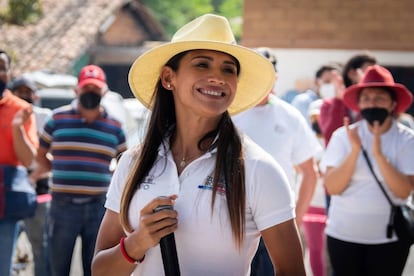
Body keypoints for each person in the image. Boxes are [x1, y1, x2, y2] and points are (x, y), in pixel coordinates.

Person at [92, 14, 306, 276]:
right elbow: (99, 270)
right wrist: (137, 242)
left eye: (228, 69)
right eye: (202, 65)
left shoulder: (258, 168)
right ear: (169, 78)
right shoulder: (133, 163)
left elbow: (292, 270)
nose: (218, 77)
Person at [232, 47, 322, 275]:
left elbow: (310, 172)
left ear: (276, 77)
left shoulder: (290, 116)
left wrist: (295, 219)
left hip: (276, 223)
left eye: (267, 74)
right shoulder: (228, 113)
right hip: (233, 223)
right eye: (255, 75)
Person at [319, 65, 414, 276]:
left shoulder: (407, 140)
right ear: (359, 104)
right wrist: (354, 151)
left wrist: (379, 155)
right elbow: (333, 187)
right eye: (366, 98)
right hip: (343, 236)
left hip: (389, 240)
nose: (372, 103)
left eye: (379, 98)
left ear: (392, 104)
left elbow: (404, 191)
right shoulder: (343, 136)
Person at [34, 64, 127, 276]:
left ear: (104, 92)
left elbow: (125, 165)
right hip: (62, 205)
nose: (91, 93)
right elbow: (40, 155)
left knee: (95, 267)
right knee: (58, 268)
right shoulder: (57, 119)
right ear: (77, 90)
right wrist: (58, 171)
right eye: (87, 88)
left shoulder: (115, 126)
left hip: (98, 207)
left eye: (96, 89)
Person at [0, 50, 39, 276]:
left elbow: (29, 160)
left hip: (6, 200)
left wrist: (17, 128)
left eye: (3, 67)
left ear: (9, 73)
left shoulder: (21, 110)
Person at [10, 76, 52, 276]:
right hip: (10, 192)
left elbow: (49, 160)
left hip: (39, 194)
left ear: (35, 95)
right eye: (20, 91)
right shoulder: (8, 115)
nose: (25, 96)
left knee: (40, 247)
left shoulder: (44, 117)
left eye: (28, 91)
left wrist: (31, 179)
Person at [319, 53, 377, 146]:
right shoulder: (329, 104)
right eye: (367, 72)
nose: (372, 77)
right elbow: (331, 136)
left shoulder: (377, 103)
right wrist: (339, 102)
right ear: (352, 74)